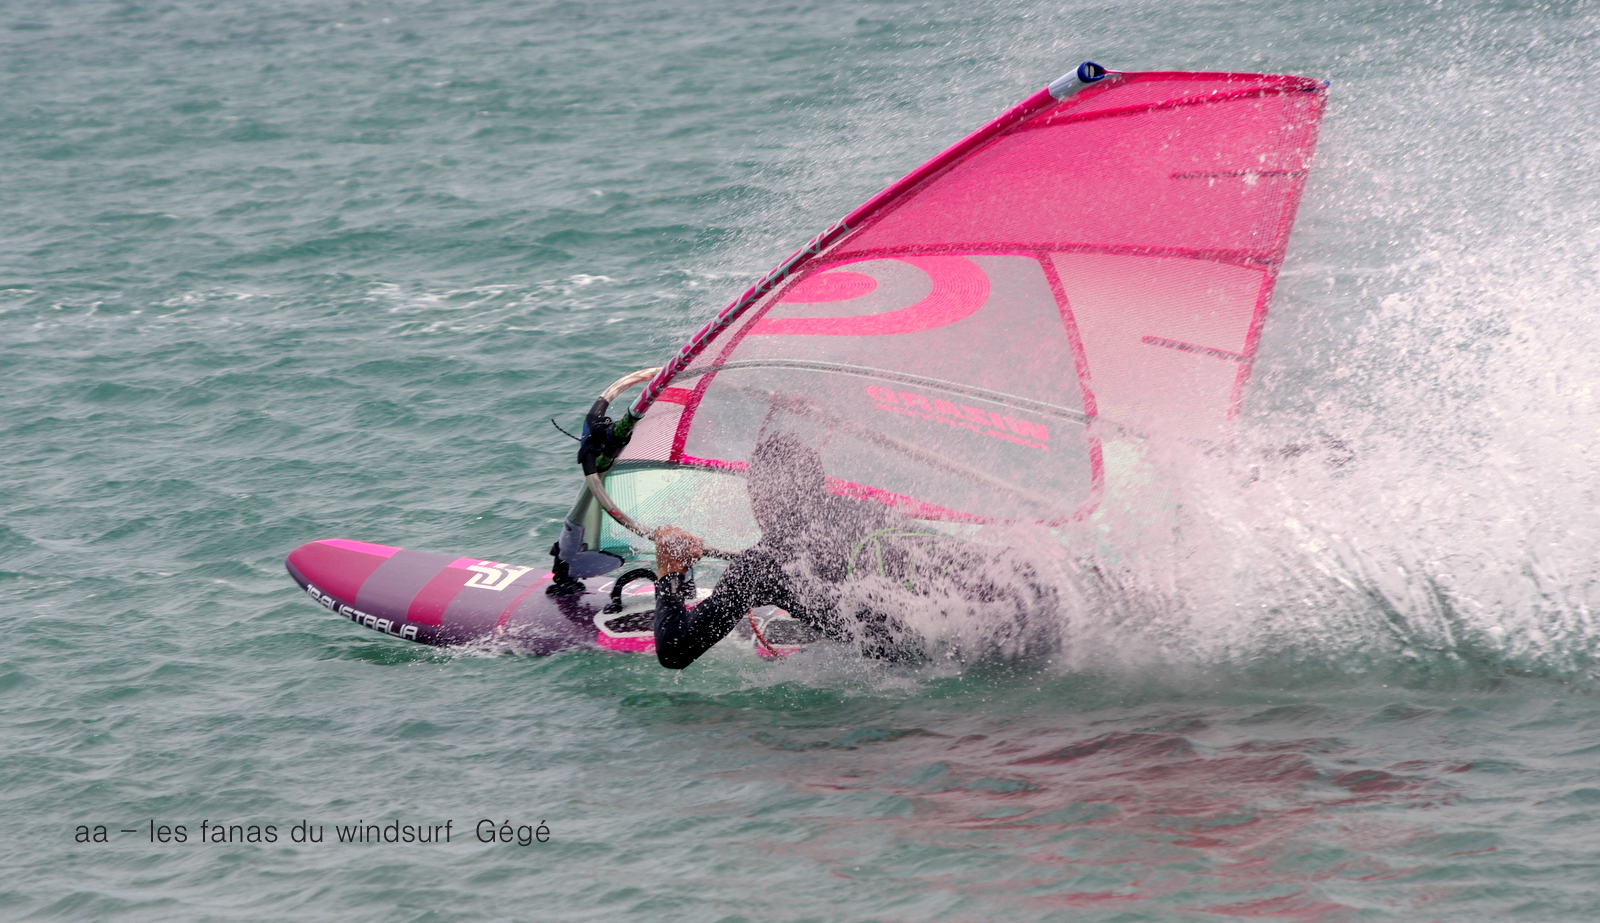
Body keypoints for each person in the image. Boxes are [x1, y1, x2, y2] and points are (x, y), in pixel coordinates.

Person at [651, 434, 919, 668]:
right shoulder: (874, 513)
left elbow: (674, 650)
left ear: (762, 496)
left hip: (902, 670)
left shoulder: (764, 562)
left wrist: (670, 570)